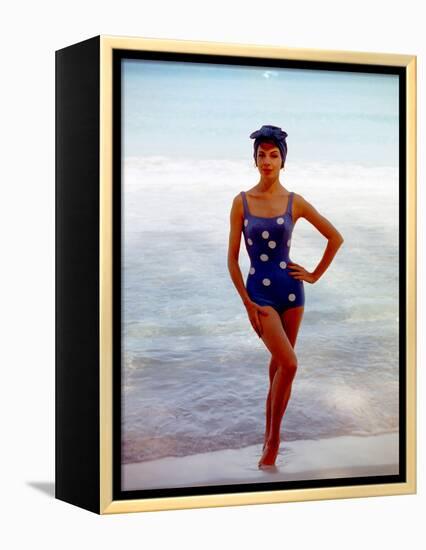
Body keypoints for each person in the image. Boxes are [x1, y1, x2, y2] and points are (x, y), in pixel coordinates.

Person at [227, 125, 344, 469]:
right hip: (259, 294)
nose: (267, 161)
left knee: (280, 367)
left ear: (283, 161)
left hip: (292, 293)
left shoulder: (295, 202)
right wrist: (247, 304)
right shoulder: (241, 202)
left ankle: (268, 437)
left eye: (273, 155)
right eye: (261, 155)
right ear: (254, 160)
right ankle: (274, 442)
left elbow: (335, 237)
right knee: (290, 364)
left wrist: (313, 275)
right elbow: (232, 260)